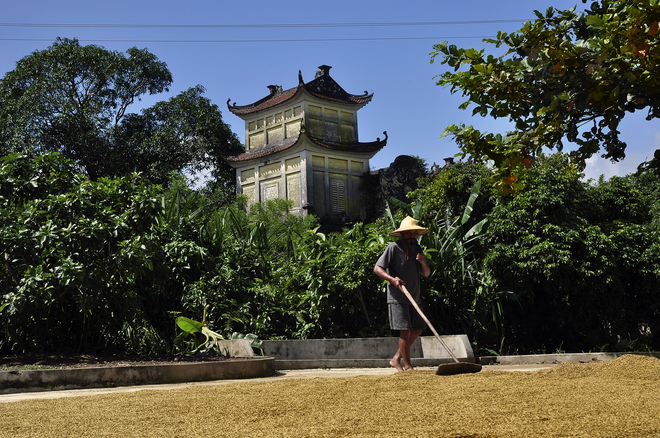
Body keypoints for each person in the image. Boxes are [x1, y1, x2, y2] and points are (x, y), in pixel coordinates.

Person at [374, 216, 431, 372]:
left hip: (414, 296)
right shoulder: (393, 248)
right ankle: (408, 366)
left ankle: (395, 359)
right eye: (409, 233)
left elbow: (426, 274)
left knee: (418, 329)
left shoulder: (417, 249)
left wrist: (423, 262)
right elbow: (377, 269)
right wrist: (393, 280)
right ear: (402, 234)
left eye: (415, 233)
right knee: (405, 330)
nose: (412, 235)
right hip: (398, 297)